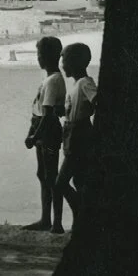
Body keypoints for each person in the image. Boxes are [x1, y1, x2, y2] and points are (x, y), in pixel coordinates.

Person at [22, 37, 67, 233]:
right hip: (41, 127)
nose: (38, 58)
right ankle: (46, 219)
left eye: (40, 54)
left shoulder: (54, 80)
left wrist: (33, 136)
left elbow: (47, 115)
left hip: (47, 131)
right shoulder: (51, 78)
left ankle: (55, 222)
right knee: (44, 175)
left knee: (51, 176)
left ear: (49, 56)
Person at [56, 42, 98, 228]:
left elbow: (98, 101)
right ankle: (83, 222)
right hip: (73, 135)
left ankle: (80, 211)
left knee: (60, 183)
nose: (62, 65)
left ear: (74, 63)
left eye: (64, 60)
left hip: (79, 136)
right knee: (79, 180)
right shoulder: (76, 85)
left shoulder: (85, 83)